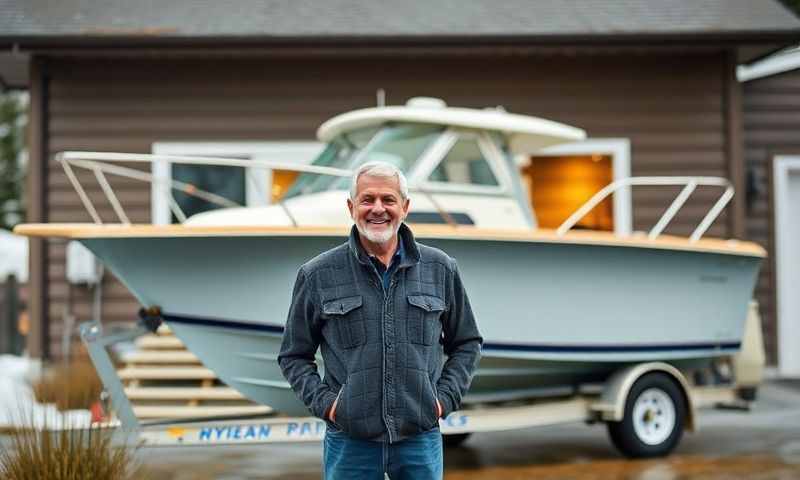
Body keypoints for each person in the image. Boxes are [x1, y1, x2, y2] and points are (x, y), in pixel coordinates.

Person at [278, 160, 483, 479]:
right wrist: (329, 406)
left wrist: (441, 401)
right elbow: (293, 355)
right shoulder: (317, 274)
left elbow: (467, 343)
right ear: (351, 207)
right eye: (367, 199)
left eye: (388, 199)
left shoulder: (440, 269)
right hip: (350, 442)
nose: (378, 208)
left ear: (405, 207)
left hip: (419, 438)